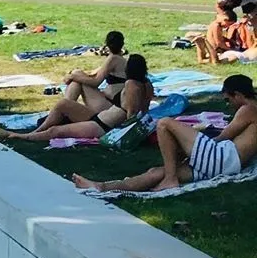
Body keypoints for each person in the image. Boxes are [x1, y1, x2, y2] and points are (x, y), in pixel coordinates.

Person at [75, 75, 257, 193]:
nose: (229, 105)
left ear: (238, 94)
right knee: (155, 173)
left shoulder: (248, 108)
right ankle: (102, 186)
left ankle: (170, 179)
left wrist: (190, 146)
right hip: (224, 164)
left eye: (229, 99)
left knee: (164, 124)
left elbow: (223, 137)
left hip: (222, 158)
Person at [0, 54, 154, 143]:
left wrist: (117, 137)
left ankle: (18, 136)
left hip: (103, 127)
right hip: (101, 119)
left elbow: (131, 115)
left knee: (55, 131)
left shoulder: (132, 85)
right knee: (64, 104)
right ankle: (37, 130)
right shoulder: (147, 84)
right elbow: (142, 111)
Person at [58, 31, 129, 113]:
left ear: (107, 44)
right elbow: (94, 74)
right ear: (122, 44)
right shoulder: (121, 60)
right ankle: (64, 108)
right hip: (110, 103)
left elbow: (96, 82)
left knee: (77, 76)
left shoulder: (113, 59)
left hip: (108, 106)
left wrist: (72, 76)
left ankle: (63, 110)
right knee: (77, 74)